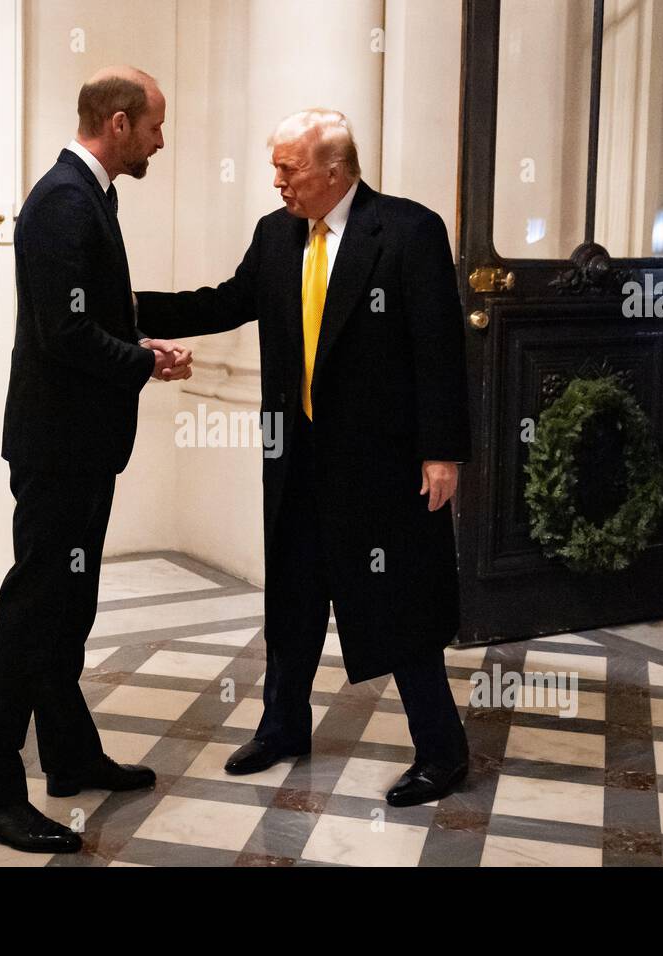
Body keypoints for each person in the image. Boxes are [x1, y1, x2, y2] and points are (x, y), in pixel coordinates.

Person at [137, 109, 471, 806]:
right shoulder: (276, 234)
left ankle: (443, 752)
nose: (278, 181)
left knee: (399, 604)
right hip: (296, 457)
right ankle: (283, 726)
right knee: (291, 598)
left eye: (288, 169)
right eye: (277, 167)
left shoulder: (409, 231)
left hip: (385, 465)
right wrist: (125, 308)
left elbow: (440, 349)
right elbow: (226, 301)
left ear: (334, 170)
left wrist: (443, 452)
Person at [0, 66, 192, 853]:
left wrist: (136, 342)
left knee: (69, 606)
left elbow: (88, 317)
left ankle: (68, 755)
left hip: (80, 447)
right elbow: (64, 337)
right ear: (119, 123)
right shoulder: (64, 201)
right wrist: (146, 363)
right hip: (59, 450)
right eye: (156, 125)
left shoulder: (89, 194)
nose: (163, 139)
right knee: (34, 612)